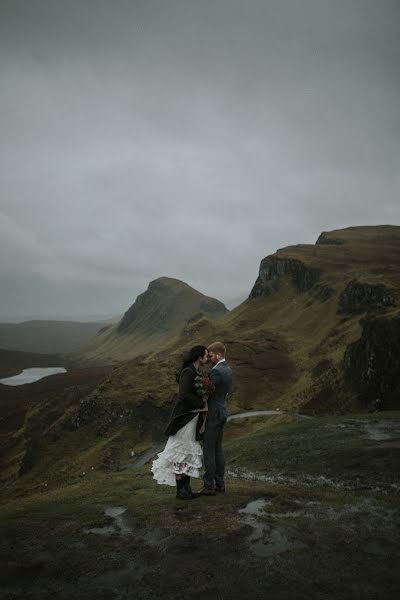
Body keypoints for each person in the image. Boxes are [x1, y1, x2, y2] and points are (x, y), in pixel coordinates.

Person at [151, 345, 209, 500]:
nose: (208, 357)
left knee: (187, 452)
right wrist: (200, 402)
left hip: (193, 417)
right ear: (199, 356)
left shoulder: (196, 372)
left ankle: (187, 489)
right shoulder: (188, 372)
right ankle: (180, 490)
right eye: (206, 355)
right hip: (184, 417)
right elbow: (183, 395)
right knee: (180, 452)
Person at [197, 341, 233, 496]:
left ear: (218, 354)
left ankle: (209, 486)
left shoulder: (217, 371)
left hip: (213, 413)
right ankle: (220, 484)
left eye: (211, 356)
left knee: (209, 450)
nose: (210, 359)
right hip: (222, 411)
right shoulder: (228, 369)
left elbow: (207, 390)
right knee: (218, 449)